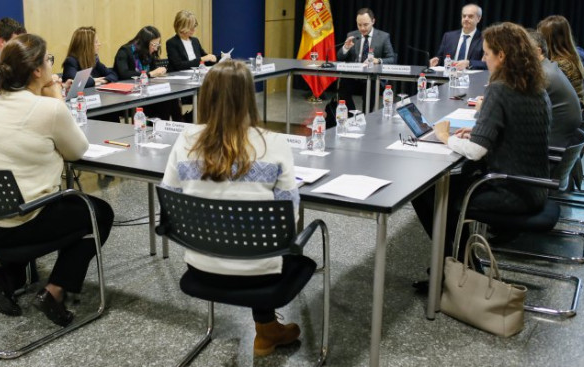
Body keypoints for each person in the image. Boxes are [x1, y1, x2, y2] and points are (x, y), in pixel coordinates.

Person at [0, 34, 115, 326]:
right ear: (36, 71)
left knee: (31, 202)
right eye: (48, 60)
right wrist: (57, 98)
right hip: (17, 225)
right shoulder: (50, 108)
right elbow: (78, 150)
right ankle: (54, 293)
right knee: (97, 213)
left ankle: (3, 274)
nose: (51, 66)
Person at [160, 60, 303, 356]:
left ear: (206, 96)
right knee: (271, 244)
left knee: (242, 237)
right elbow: (291, 216)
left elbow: (170, 200)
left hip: (201, 267)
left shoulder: (185, 140)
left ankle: (266, 329)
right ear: (249, 97)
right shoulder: (274, 143)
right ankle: (267, 329)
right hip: (262, 274)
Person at [411, 22, 551, 288]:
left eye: (487, 53)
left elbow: (476, 151)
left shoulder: (500, 89)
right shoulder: (535, 87)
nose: (483, 59)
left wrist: (444, 137)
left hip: (508, 190)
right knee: (443, 189)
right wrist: (481, 129)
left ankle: (454, 267)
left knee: (429, 194)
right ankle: (460, 262)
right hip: (534, 186)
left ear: (502, 56)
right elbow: (513, 131)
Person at [114, 26, 181, 120]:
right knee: (165, 102)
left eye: (157, 45)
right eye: (153, 45)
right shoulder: (125, 51)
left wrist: (159, 73)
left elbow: (152, 72)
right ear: (144, 43)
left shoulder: (148, 53)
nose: (155, 49)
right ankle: (161, 128)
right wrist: (149, 74)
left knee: (171, 97)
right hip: (130, 97)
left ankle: (178, 126)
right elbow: (123, 74)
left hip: (147, 93)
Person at [528, 30, 581, 147]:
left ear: (537, 52)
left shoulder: (542, 74)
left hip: (550, 146)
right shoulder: (549, 67)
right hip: (561, 138)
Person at [336, 8, 396, 112]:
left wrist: (378, 60)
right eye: (359, 25)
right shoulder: (352, 35)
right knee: (343, 87)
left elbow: (392, 58)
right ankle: (352, 116)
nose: (362, 28)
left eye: (365, 24)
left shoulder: (383, 37)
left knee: (371, 89)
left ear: (373, 21)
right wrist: (345, 48)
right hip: (354, 76)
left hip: (372, 78)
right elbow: (340, 57)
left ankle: (366, 117)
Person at [538, 15, 584, 107]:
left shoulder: (562, 65)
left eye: (540, 37)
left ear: (549, 40)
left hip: (568, 115)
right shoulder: (571, 57)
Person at [429, 3, 486, 70]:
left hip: (471, 78)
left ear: (478, 19)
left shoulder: (484, 39)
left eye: (470, 16)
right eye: (464, 16)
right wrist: (436, 60)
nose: (466, 19)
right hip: (449, 75)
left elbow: (486, 64)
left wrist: (469, 63)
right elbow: (440, 57)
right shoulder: (448, 36)